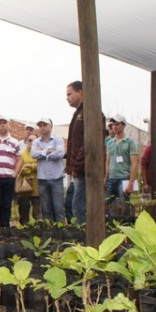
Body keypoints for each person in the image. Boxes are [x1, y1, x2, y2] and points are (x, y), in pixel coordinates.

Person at [104, 114, 139, 218]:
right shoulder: (109, 142)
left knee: (124, 207)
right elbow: (107, 162)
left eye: (117, 124)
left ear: (123, 125)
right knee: (107, 205)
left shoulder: (130, 142)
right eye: (113, 124)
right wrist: (105, 179)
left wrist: (131, 183)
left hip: (124, 179)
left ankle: (126, 228)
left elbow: (135, 163)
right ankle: (112, 226)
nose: (114, 127)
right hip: (111, 179)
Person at [31, 118, 66, 222]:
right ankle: (49, 232)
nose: (42, 128)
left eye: (45, 125)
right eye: (40, 125)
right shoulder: (36, 142)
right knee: (45, 209)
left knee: (58, 208)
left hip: (57, 179)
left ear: (51, 126)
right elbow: (33, 154)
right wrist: (48, 151)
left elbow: (60, 154)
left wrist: (41, 152)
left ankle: (61, 232)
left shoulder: (58, 139)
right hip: (42, 179)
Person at [65, 80, 88, 223]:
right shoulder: (78, 113)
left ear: (80, 92)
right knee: (74, 204)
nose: (67, 98)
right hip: (78, 169)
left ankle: (85, 237)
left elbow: (88, 143)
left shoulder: (89, 112)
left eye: (69, 94)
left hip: (84, 170)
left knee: (78, 206)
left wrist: (77, 165)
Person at [16, 134, 42, 224]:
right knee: (24, 208)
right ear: (26, 141)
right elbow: (19, 168)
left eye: (34, 140)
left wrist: (30, 166)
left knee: (38, 211)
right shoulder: (21, 154)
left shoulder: (40, 153)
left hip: (37, 185)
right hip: (25, 185)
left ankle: (39, 229)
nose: (32, 142)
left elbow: (42, 166)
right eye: (30, 140)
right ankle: (24, 228)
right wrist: (28, 169)